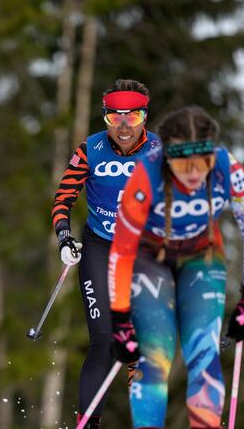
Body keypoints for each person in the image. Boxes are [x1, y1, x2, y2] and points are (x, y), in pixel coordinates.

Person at [107, 106, 244, 428]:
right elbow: (121, 253)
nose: (194, 173)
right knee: (152, 360)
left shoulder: (227, 168)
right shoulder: (145, 175)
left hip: (202, 256)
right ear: (167, 156)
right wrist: (120, 318)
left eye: (202, 162)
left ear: (213, 154)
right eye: (183, 163)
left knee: (204, 357)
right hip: (149, 258)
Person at [52, 79, 160, 428]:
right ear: (105, 118)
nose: (125, 128)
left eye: (134, 117)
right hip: (99, 248)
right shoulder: (91, 150)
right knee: (104, 340)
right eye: (116, 119)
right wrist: (64, 237)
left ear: (145, 117)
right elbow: (63, 199)